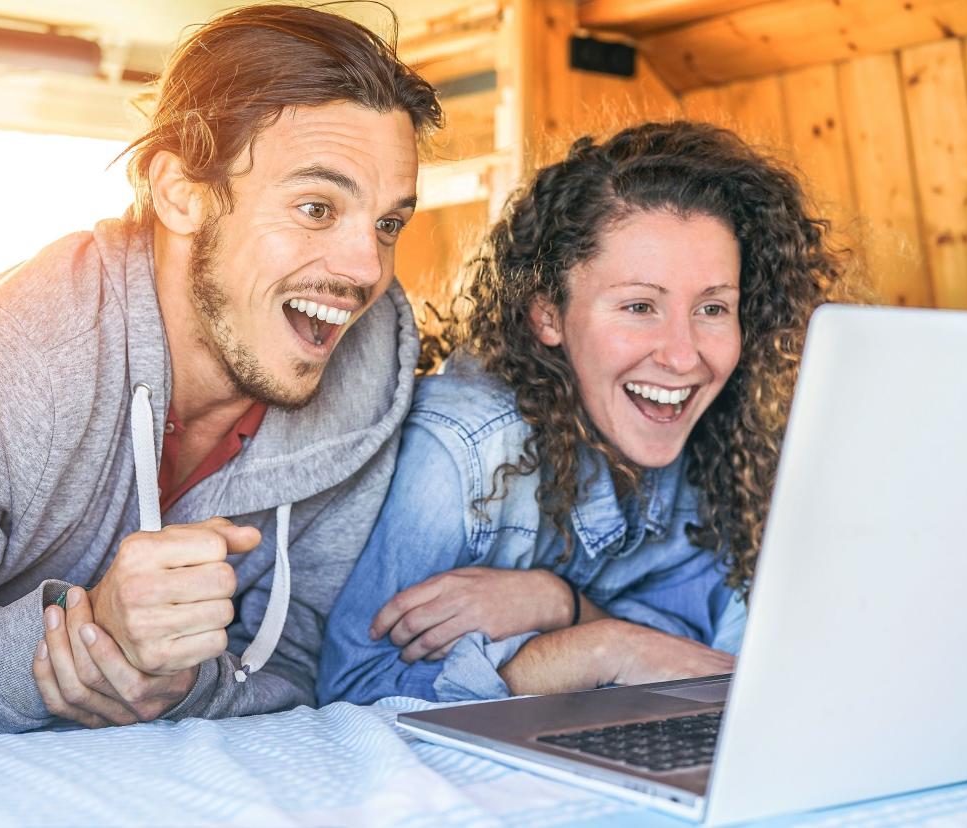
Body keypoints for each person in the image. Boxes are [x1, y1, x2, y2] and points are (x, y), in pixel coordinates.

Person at [0, 4, 442, 739]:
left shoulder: (368, 379)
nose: (366, 269)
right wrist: (73, 645)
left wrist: (184, 688)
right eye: (318, 208)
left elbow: (299, 664)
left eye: (388, 223)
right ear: (181, 192)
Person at [318, 121, 860, 704]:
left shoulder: (715, 446)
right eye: (638, 306)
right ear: (548, 316)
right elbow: (354, 692)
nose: (683, 356)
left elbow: (694, 654)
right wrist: (601, 650)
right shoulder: (462, 449)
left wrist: (561, 605)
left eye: (712, 308)